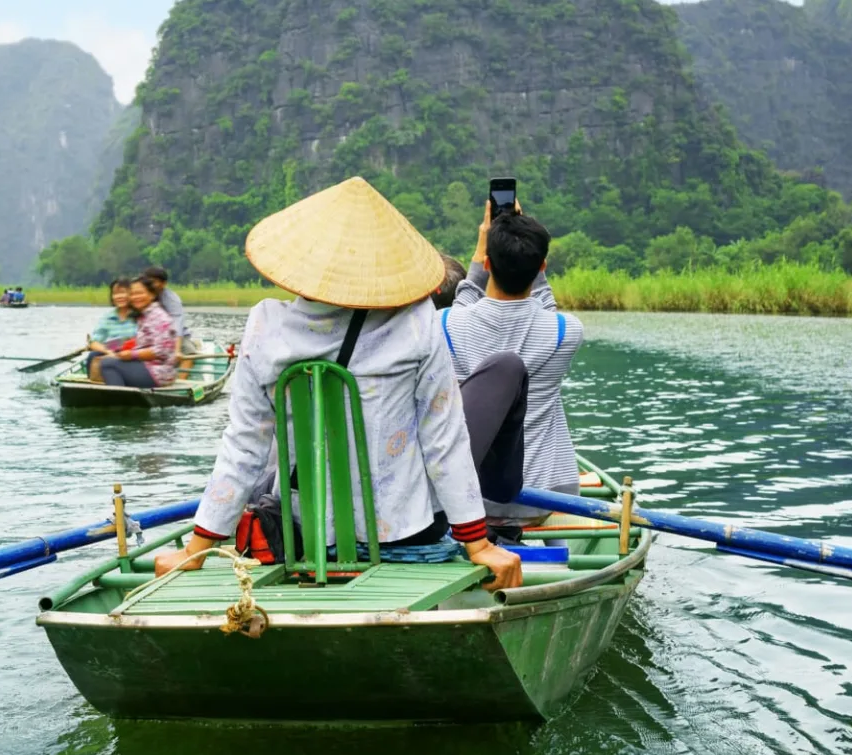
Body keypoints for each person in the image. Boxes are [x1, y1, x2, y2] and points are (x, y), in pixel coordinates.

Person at [154, 177, 521, 591]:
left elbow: (244, 446)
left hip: (304, 538)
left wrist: (195, 550)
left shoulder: (266, 326)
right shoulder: (418, 322)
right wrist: (477, 544)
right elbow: (444, 439)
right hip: (406, 537)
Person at [444, 201, 583, 541]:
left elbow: (464, 298)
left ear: (488, 263)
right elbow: (546, 309)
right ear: (542, 268)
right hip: (539, 501)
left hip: (471, 502)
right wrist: (531, 255)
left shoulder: (446, 324)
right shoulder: (567, 332)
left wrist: (481, 251)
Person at [96, 277, 178, 388]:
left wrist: (131, 355)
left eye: (140, 293)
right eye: (133, 294)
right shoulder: (144, 316)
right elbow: (138, 343)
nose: (135, 298)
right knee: (96, 356)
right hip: (145, 365)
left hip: (159, 373)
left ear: (152, 295)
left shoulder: (158, 317)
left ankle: (118, 398)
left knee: (107, 364)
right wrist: (110, 348)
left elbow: (161, 351)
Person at [85, 278, 139, 381]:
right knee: (93, 355)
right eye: (115, 293)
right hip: (113, 350)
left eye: (123, 292)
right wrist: (109, 352)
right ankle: (93, 383)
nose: (119, 297)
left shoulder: (139, 314)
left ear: (131, 294)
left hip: (135, 353)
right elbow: (93, 342)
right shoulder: (108, 317)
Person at [141, 267, 195, 355]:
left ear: (163, 283)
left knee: (189, 351)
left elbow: (177, 325)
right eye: (147, 282)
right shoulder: (139, 295)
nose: (149, 285)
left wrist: (177, 351)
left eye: (153, 282)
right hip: (147, 334)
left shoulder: (172, 300)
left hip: (171, 335)